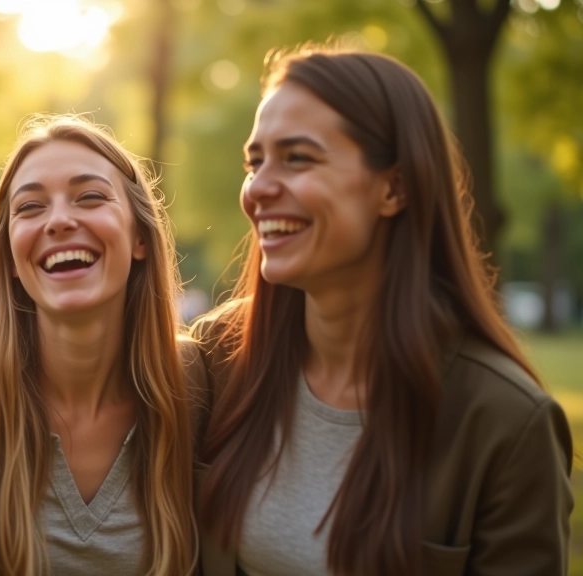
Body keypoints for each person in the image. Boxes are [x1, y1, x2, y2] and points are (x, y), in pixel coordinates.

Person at [192, 47, 573, 576]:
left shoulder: (506, 424)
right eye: (255, 162)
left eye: (298, 157)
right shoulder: (217, 358)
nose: (258, 188)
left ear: (394, 187)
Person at [0, 115, 202, 576]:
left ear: (140, 237)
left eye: (90, 197)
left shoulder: (199, 383)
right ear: (9, 255)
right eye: (29, 208)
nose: (60, 221)